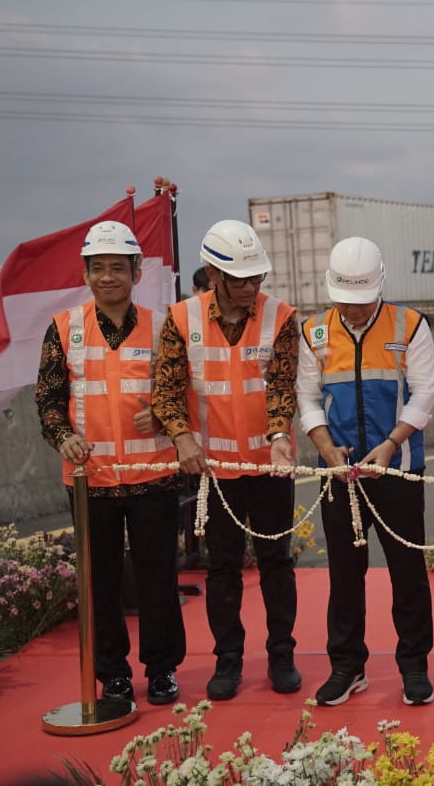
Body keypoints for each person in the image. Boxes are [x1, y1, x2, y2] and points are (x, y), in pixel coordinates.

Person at [34, 220, 185, 706]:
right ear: (86, 273)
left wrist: (161, 415)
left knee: (158, 577)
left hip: (153, 477)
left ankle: (162, 669)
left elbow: (184, 392)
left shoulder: (164, 327)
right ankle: (112, 674)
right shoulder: (63, 329)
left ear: (137, 272)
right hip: (89, 479)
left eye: (117, 268)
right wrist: (63, 437)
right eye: (97, 268)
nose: (107, 277)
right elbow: (48, 400)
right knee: (99, 583)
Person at [152, 219, 302, 701]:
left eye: (257, 277)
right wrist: (181, 438)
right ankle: (228, 661)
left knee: (277, 563)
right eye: (240, 279)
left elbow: (282, 385)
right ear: (214, 274)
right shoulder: (181, 319)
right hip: (214, 470)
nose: (251, 288)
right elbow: (166, 391)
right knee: (223, 569)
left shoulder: (281, 317)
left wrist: (280, 435)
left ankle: (282, 655)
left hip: (269, 464)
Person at [297, 238, 434, 707]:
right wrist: (324, 447)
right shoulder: (313, 331)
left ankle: (414, 667)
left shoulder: (410, 325)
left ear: (381, 286)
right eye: (345, 302)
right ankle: (346, 666)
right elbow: (308, 398)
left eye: (362, 302)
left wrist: (391, 444)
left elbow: (423, 395)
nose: (354, 311)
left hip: (397, 470)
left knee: (408, 573)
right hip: (337, 475)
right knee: (343, 574)